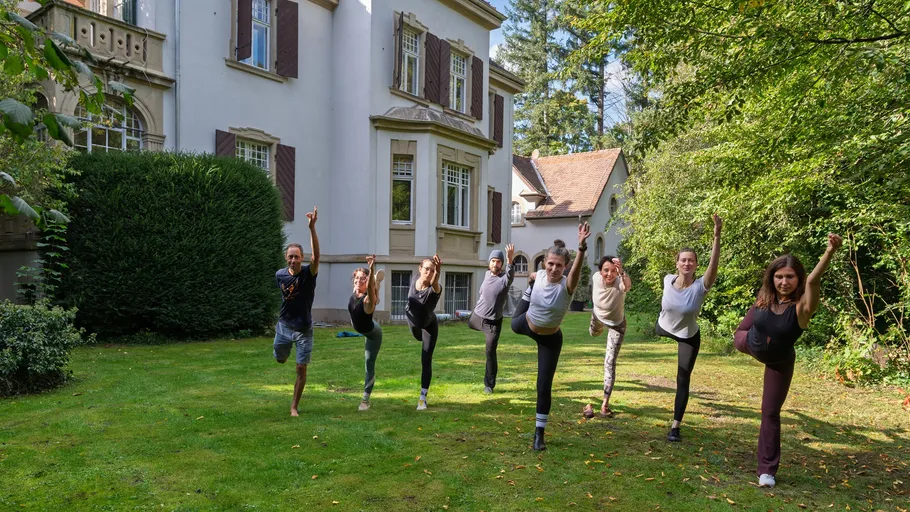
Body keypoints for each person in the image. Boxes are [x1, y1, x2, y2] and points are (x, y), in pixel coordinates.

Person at [734, 234, 842, 489]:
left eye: (790, 277)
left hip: (779, 361)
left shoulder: (802, 308)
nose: (783, 282)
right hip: (749, 343)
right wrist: (742, 336)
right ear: (773, 278)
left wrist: (829, 251)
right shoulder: (765, 296)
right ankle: (746, 341)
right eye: (779, 276)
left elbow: (814, 281)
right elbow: (748, 322)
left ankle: (767, 471)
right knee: (743, 335)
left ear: (799, 279)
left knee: (770, 412)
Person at [511, 224, 592, 451]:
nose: (554, 269)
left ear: (565, 267)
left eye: (559, 265)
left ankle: (539, 434)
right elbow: (534, 274)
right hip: (525, 325)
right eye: (550, 264)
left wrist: (582, 248)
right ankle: (525, 298)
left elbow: (575, 271)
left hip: (550, 338)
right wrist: (532, 279)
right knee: (513, 325)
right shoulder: (539, 276)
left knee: (543, 385)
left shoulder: (567, 286)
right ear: (545, 262)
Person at [655, 214, 722, 443]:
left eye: (691, 260)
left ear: (695, 265)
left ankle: (675, 426)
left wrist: (716, 235)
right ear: (677, 263)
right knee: (662, 324)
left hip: (687, 335)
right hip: (663, 326)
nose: (687, 263)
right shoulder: (667, 279)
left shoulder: (701, 287)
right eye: (683, 260)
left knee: (683, 378)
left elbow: (714, 265)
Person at [273, 207, 320, 417]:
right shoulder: (280, 275)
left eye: (297, 257)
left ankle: (294, 406)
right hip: (284, 326)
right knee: (280, 360)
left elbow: (317, 257)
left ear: (302, 258)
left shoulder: (308, 274)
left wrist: (312, 228)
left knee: (301, 368)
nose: (293, 260)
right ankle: (282, 352)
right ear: (286, 257)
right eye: (291, 256)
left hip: (303, 329)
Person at [582, 255, 632, 419]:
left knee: (609, 362)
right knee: (594, 333)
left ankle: (605, 404)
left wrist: (622, 272)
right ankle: (597, 328)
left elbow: (627, 286)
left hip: (617, 324)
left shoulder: (620, 282)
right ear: (600, 271)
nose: (609, 274)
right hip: (597, 317)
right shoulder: (596, 278)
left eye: (613, 271)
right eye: (606, 270)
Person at [469, 244, 516, 394]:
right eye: (493, 261)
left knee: (490, 352)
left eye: (498, 262)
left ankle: (489, 385)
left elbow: (510, 275)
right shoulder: (487, 274)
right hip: (477, 317)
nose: (495, 264)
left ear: (502, 265)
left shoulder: (504, 279)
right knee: (469, 323)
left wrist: (510, 260)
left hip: (492, 323)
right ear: (489, 263)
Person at [406, 254, 442, 411]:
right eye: (427, 269)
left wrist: (438, 271)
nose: (429, 272)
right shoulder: (415, 278)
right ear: (420, 269)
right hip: (413, 323)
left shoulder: (434, 289)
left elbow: (435, 283)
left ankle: (422, 397)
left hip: (429, 326)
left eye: (432, 270)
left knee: (425, 359)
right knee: (416, 336)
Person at [348, 254, 385, 411]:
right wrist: (370, 278)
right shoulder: (355, 291)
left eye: (362, 279)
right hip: (361, 325)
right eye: (356, 278)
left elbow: (369, 292)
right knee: (373, 295)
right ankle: (377, 286)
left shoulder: (366, 301)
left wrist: (371, 270)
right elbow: (364, 287)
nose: (358, 281)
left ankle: (365, 400)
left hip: (372, 333)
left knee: (369, 365)